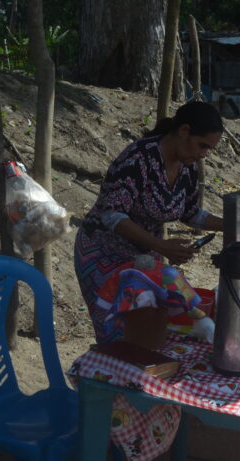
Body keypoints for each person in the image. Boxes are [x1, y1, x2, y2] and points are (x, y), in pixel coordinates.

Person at [74, 101, 224, 343]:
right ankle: (112, 377)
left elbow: (191, 213)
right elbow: (112, 215)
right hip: (103, 254)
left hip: (145, 257)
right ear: (184, 131)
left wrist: (229, 224)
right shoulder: (138, 158)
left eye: (209, 149)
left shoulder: (188, 168)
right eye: (202, 145)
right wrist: (161, 246)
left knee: (149, 329)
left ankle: (139, 378)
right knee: (119, 333)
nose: (203, 154)